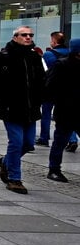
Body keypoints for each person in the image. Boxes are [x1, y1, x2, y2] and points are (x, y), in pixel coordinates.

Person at [0, 26, 46, 195]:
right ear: (15, 37)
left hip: (31, 108)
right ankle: (14, 179)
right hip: (11, 108)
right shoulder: (3, 57)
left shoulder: (35, 57)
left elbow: (42, 80)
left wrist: (41, 99)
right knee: (16, 142)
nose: (28, 37)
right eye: (24, 35)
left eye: (30, 35)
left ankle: (5, 162)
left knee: (28, 143)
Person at [45, 37, 80, 183]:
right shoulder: (62, 65)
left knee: (60, 140)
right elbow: (50, 87)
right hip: (66, 110)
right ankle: (54, 169)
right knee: (60, 141)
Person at [37, 31, 78, 151]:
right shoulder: (71, 54)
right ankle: (72, 140)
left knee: (46, 113)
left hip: (51, 89)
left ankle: (44, 138)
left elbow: (43, 73)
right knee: (69, 117)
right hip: (67, 92)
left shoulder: (48, 55)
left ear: (54, 42)